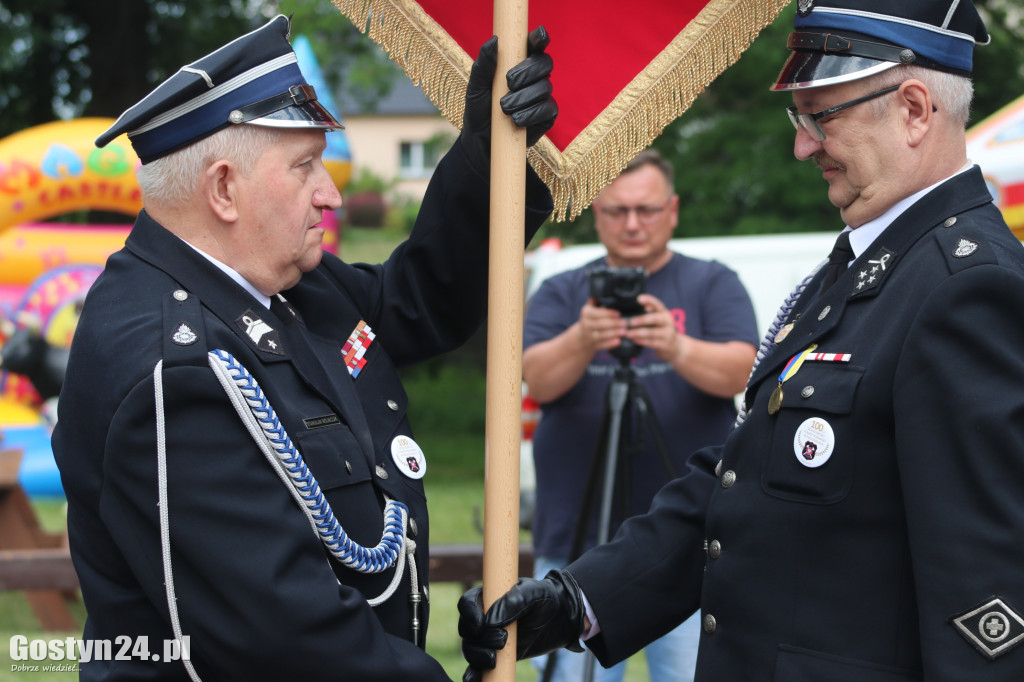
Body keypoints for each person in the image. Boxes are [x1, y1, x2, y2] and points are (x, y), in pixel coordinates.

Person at [459, 1, 1024, 680]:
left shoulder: (965, 289)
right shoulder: (867, 269)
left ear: (913, 110)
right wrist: (578, 600)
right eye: (800, 119)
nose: (803, 145)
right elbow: (747, 482)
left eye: (822, 115)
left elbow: (985, 586)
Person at [52, 15, 556, 681]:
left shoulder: (283, 283)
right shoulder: (173, 364)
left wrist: (489, 155)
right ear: (224, 190)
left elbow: (419, 300)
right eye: (305, 167)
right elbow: (287, 642)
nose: (332, 193)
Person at [521, 149, 758, 682]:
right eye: (617, 211)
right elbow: (537, 379)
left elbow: (744, 372)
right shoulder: (564, 289)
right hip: (578, 541)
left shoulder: (711, 283)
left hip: (690, 545)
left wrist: (676, 348)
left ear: (672, 211)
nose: (632, 224)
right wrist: (583, 338)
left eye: (646, 210)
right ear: (596, 213)